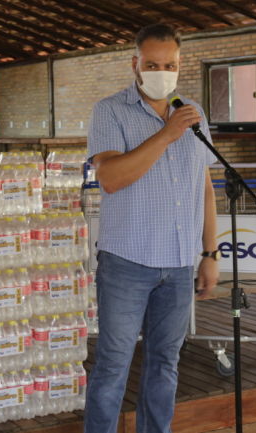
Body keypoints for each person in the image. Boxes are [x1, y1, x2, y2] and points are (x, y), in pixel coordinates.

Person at [84, 24, 219, 433]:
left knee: (165, 363)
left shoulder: (192, 112)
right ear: (136, 65)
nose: (163, 72)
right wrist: (167, 134)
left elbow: (206, 189)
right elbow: (111, 177)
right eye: (153, 64)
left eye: (171, 65)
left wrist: (210, 254)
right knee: (113, 365)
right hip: (128, 262)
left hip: (178, 265)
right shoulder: (110, 111)